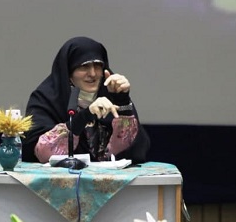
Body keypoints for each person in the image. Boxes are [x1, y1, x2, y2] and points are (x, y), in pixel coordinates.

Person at [22, 36, 150, 164]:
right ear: (69, 71)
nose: (92, 74)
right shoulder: (45, 99)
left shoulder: (113, 94)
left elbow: (136, 153)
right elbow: (42, 153)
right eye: (84, 66)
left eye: (98, 66)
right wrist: (84, 117)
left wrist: (123, 102)